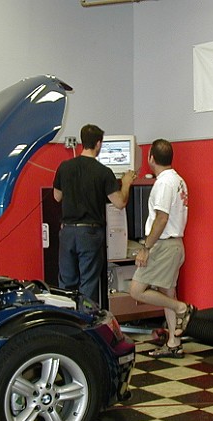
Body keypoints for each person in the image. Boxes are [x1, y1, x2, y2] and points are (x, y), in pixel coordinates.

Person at [53, 124, 136, 303]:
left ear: (83, 142)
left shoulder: (65, 167)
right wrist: (127, 182)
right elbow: (120, 202)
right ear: (98, 144)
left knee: (66, 283)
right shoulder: (103, 172)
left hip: (67, 232)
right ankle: (86, 324)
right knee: (88, 284)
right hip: (89, 233)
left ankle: (67, 323)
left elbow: (57, 196)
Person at [129, 138, 196, 358]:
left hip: (164, 245)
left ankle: (182, 309)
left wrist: (146, 247)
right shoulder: (178, 181)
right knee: (167, 291)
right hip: (174, 245)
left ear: (151, 158)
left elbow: (161, 218)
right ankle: (174, 342)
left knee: (136, 290)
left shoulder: (164, 183)